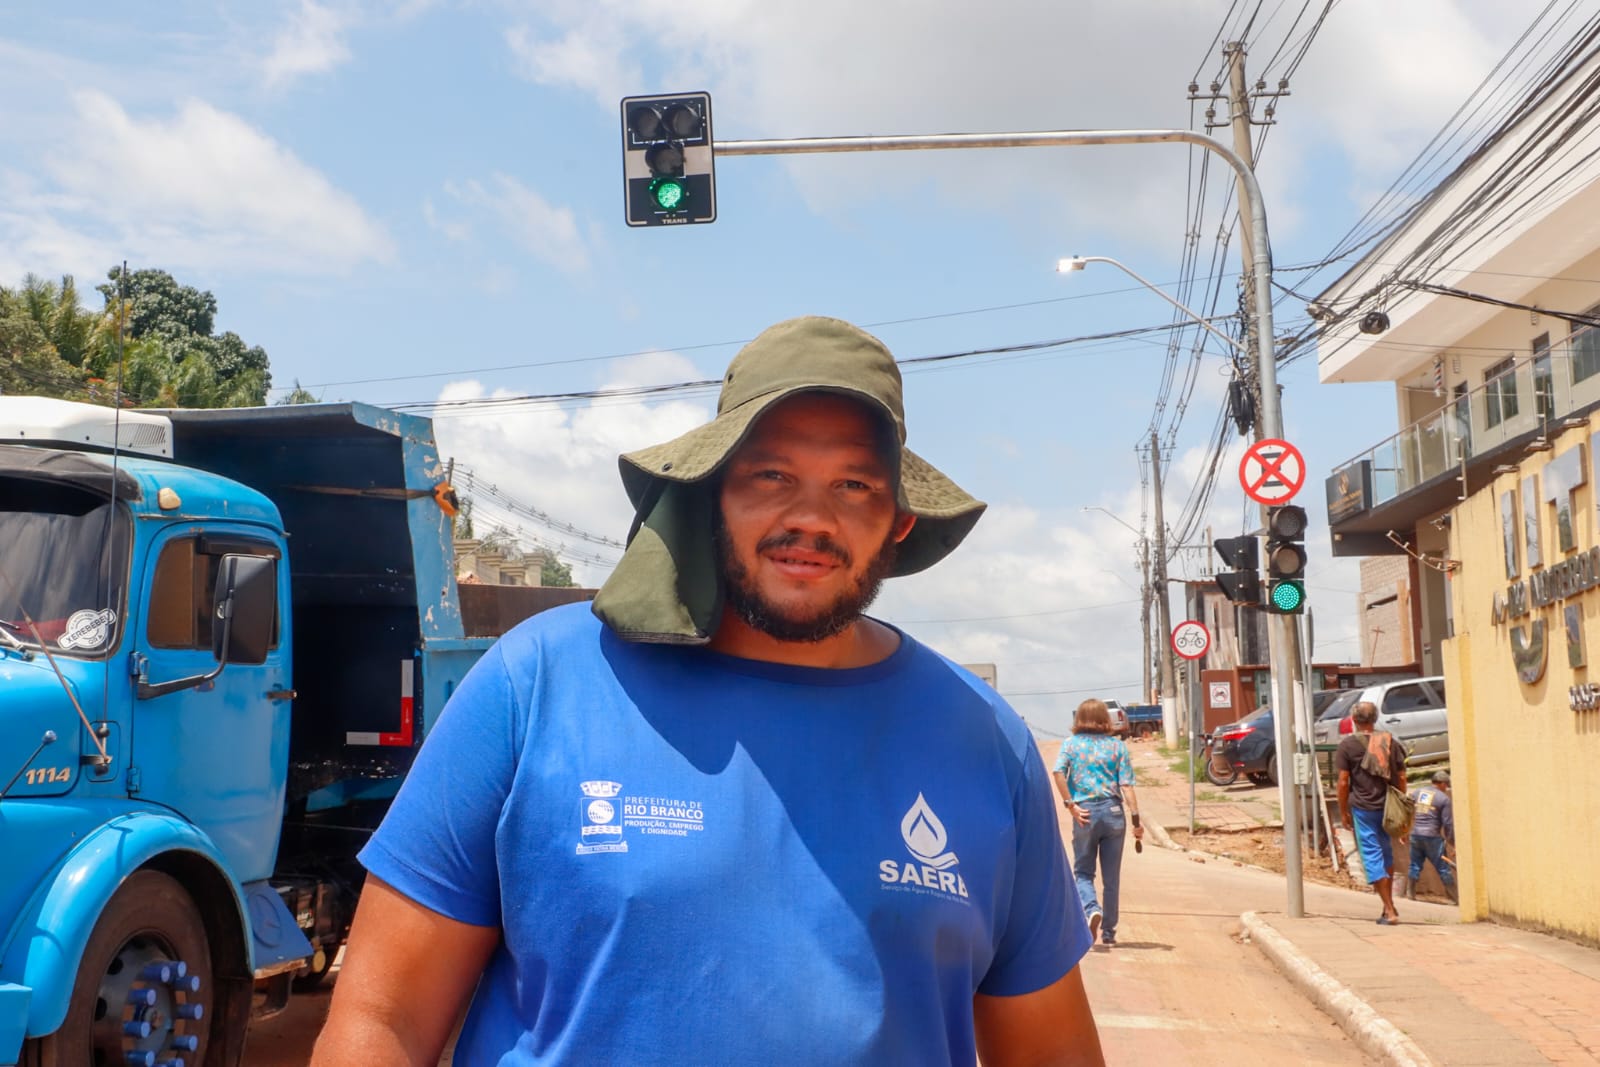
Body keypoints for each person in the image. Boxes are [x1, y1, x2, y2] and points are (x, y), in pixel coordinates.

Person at [313, 316, 1104, 1066]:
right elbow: (382, 1021)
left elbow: (1051, 1051)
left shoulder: (982, 739)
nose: (810, 518)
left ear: (899, 520)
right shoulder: (537, 686)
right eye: (772, 475)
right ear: (711, 491)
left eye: (855, 485)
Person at [1052, 698, 1143, 947]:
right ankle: (1109, 933)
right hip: (1114, 813)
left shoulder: (1071, 745)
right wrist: (1136, 820)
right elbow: (1126, 785)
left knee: (1082, 871)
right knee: (1111, 878)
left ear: (1078, 719)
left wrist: (1070, 804)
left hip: (1085, 813)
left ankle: (1092, 908)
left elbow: (1058, 772)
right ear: (1106, 719)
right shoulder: (1117, 747)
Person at [1335, 700, 1409, 925]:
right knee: (1386, 853)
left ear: (1354, 721)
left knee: (1371, 856)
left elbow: (1343, 781)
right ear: (1375, 719)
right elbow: (1402, 777)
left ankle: (1390, 909)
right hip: (1387, 808)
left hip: (1363, 809)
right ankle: (1389, 907)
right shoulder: (1389, 743)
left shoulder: (1347, 746)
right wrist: (1401, 806)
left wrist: (1343, 810)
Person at [1407, 770, 1457, 903]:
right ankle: (1455, 898)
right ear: (1441, 784)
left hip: (1415, 834)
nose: (1446, 788)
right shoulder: (1443, 799)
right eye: (1446, 785)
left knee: (1414, 864)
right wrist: (1453, 843)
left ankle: (1410, 893)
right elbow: (1448, 824)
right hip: (1432, 837)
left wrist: (1404, 830)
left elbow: (1405, 809)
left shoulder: (1417, 792)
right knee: (1443, 868)